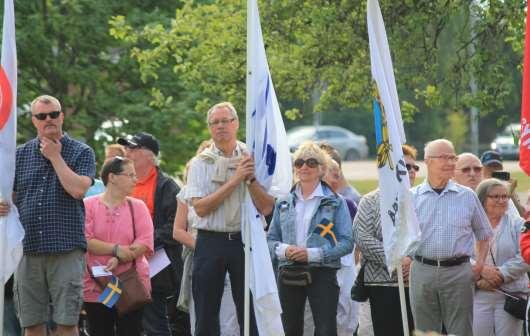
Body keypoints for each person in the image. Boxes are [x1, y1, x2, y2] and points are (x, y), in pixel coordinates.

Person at [0, 95, 96, 336]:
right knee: (31, 325)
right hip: (28, 250)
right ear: (34, 121)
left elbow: (78, 190)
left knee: (67, 323)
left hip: (66, 249)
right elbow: (7, 198)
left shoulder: (81, 151)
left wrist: (55, 156)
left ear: (62, 116)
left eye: (53, 114)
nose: (49, 119)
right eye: (42, 116)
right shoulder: (18, 155)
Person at [182, 102, 274, 335]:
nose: (221, 126)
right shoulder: (200, 163)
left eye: (226, 121)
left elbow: (266, 207)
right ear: (209, 128)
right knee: (206, 310)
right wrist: (235, 180)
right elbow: (200, 208)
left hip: (244, 240)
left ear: (237, 124)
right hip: (210, 240)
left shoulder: (251, 156)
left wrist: (250, 180)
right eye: (215, 122)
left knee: (249, 308)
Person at [267, 141, 354, 336]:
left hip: (323, 273)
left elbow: (347, 242)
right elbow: (271, 240)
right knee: (290, 329)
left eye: (311, 162)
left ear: (322, 169)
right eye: (299, 162)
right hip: (289, 272)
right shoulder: (283, 202)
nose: (304, 167)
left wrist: (313, 254)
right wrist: (285, 250)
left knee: (325, 329)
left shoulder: (336, 202)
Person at [409, 139, 492, 335]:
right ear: (428, 161)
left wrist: (479, 264)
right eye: (443, 157)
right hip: (422, 271)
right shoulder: (411, 197)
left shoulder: (467, 196)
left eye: (452, 157)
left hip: (458, 273)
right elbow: (401, 235)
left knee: (461, 331)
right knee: (425, 331)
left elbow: (484, 234)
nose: (450, 162)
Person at [117, 132, 188, 336]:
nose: (127, 152)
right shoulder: (120, 183)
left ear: (150, 156)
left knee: (154, 322)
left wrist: (143, 243)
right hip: (121, 263)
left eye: (133, 148)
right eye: (126, 148)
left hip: (155, 265)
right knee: (123, 321)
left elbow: (174, 226)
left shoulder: (167, 187)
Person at [173, 139, 240, 336]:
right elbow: (178, 230)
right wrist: (203, 246)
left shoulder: (234, 185)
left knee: (229, 320)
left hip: (232, 249)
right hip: (203, 253)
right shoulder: (186, 192)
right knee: (202, 316)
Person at [83, 156, 154, 335]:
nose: (135, 179)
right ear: (112, 177)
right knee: (100, 331)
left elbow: (144, 242)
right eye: (130, 175)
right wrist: (116, 249)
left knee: (131, 331)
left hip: (130, 285)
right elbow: (85, 240)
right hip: (95, 285)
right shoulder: (87, 205)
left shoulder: (138, 207)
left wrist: (120, 257)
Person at [352, 144, 418, 336]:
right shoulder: (370, 201)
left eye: (415, 167)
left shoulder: (421, 199)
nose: (412, 171)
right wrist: (396, 260)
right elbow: (362, 237)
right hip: (382, 284)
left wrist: (412, 261)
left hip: (417, 282)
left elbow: (429, 236)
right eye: (406, 166)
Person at [472, 178, 530, 335]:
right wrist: (482, 272)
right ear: (482, 199)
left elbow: (526, 255)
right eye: (495, 196)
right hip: (478, 293)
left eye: (505, 196)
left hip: (511, 295)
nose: (501, 200)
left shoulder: (518, 224)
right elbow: (461, 253)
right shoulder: (469, 224)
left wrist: (501, 274)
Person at [323, 159, 359, 336]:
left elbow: (355, 247)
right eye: (333, 175)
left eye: (339, 175)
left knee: (347, 315)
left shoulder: (349, 205)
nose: (336, 180)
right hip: (320, 272)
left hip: (344, 269)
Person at [481, 150, 525, 217]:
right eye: (489, 166)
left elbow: (521, 215)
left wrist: (511, 194)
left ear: (501, 168)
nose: (493, 169)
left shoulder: (506, 187)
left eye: (496, 166)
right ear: (482, 168)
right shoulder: (477, 187)